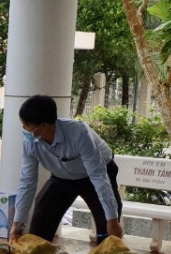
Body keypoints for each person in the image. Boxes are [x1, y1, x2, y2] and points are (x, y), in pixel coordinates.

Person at [10, 94, 124, 244]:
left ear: (43, 126)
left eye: (26, 125)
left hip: (97, 173)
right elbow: (27, 182)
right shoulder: (30, 144)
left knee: (108, 229)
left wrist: (113, 220)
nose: (23, 129)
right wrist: (17, 223)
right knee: (42, 213)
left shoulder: (79, 134)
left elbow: (98, 175)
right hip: (62, 177)